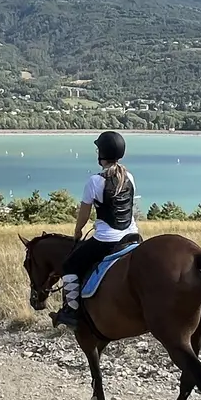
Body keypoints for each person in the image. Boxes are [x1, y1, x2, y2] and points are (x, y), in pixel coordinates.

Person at [52, 130, 142, 327]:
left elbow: (84, 215)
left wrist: (77, 231)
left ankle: (71, 311)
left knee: (69, 265)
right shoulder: (129, 177)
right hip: (132, 236)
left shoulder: (94, 181)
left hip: (106, 240)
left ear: (101, 153)